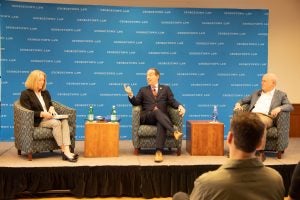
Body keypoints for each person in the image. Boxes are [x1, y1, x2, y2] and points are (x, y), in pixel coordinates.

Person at [173, 112, 285, 200]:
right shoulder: (276, 180)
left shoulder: (206, 183)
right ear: (260, 143)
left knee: (179, 196)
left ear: (230, 138)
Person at [124, 68, 185, 162]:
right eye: (147, 75)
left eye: (151, 74)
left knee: (161, 122)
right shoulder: (143, 90)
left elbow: (172, 101)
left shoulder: (166, 89)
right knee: (156, 111)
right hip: (148, 116)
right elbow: (136, 103)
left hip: (162, 118)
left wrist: (180, 106)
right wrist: (130, 94)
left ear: (157, 76)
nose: (148, 77)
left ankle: (158, 152)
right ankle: (174, 131)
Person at [20, 69, 78, 162]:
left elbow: (50, 103)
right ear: (33, 80)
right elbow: (28, 112)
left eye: (43, 80)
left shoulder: (45, 93)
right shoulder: (26, 94)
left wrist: (51, 108)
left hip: (49, 118)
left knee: (64, 120)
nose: (42, 82)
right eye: (40, 80)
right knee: (56, 123)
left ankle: (67, 150)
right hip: (37, 121)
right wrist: (42, 114)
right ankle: (64, 150)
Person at [234, 73, 293, 161]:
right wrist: (238, 104)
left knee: (259, 122)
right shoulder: (256, 93)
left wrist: (279, 108)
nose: (261, 83)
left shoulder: (281, 95)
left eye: (264, 81)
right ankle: (237, 150)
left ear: (273, 83)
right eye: (262, 81)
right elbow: (242, 100)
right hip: (252, 115)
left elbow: (289, 106)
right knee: (238, 121)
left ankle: (260, 151)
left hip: (266, 117)